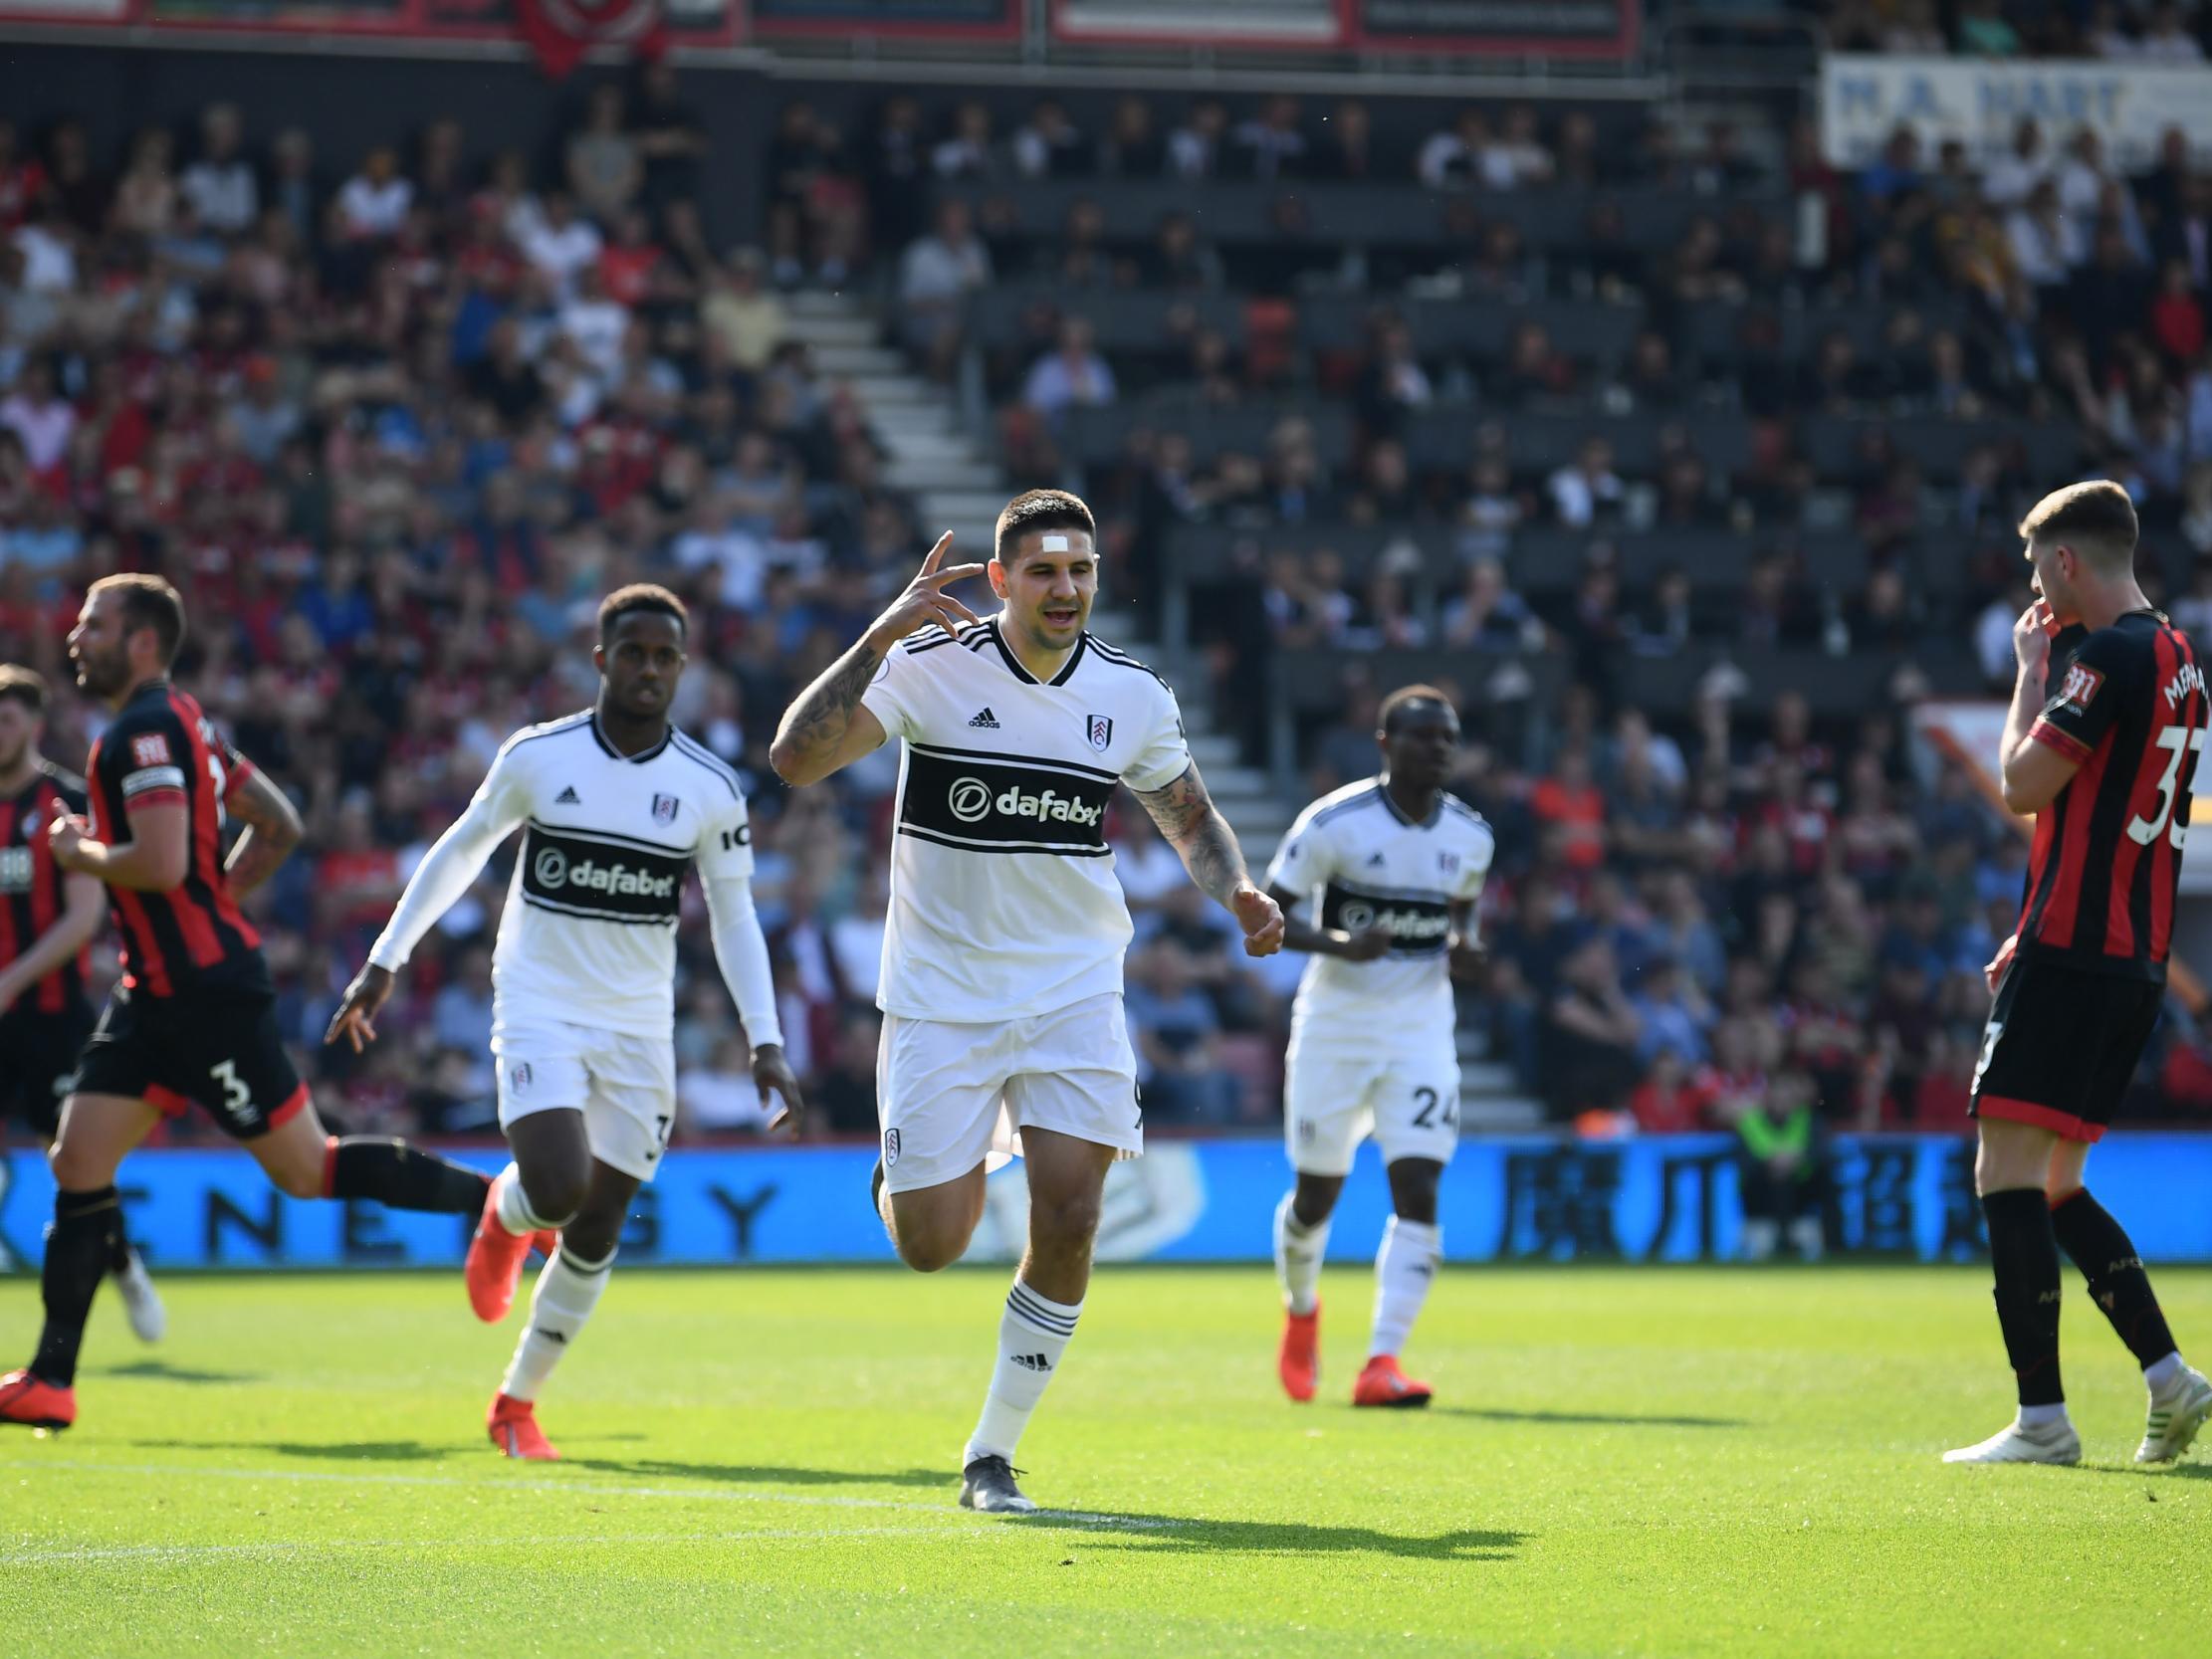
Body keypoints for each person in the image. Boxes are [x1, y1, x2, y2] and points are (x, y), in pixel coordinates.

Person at [770, 490, 1284, 1513]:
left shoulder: (1131, 695)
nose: (1065, 588)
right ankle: (905, 1169)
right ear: (1000, 580)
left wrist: (1234, 887)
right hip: (940, 993)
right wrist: (880, 629)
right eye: (1043, 570)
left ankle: (989, 1454)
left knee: (1071, 1211)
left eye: (1081, 571)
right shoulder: (927, 668)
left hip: (1071, 987)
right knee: (931, 1244)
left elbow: (1190, 815)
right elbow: (795, 758)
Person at [2, 576, 490, 1433]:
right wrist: (212, 896)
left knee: (307, 1171)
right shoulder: (188, 722)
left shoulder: (143, 731)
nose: (75, 637)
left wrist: (81, 852)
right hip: (152, 990)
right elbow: (280, 822)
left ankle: (499, 1205)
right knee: (77, 1159)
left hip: (205, 995)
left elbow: (155, 864)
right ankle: (51, 1380)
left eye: (95, 624)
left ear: (144, 640)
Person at [327, 585, 798, 1461]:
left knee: (596, 1224)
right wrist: (386, 956)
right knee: (556, 1183)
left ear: (683, 669)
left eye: (665, 656)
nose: (649, 669)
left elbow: (736, 919)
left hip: (636, 1024)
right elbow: (462, 847)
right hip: (539, 999)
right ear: (601, 660)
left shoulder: (706, 787)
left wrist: (764, 1037)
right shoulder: (539, 757)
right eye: (634, 653)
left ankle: (515, 1403)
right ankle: (505, 1215)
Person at [1947, 481, 2212, 1467]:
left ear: (2065, 561)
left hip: (2070, 951)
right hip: (2131, 960)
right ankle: (2167, 1377)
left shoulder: (2096, 658)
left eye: (2033, 569)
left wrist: (2026, 670)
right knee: (2057, 1181)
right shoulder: (2179, 655)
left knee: (2002, 1174)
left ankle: (2040, 1419)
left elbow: (2021, 787)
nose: (2032, 593)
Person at [1262, 686, 1492, 1408]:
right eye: (1424, 736)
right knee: (1315, 1197)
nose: (1440, 749)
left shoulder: (1472, 836)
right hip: (1335, 1025)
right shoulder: (1334, 824)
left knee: (1419, 1185)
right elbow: (1268, 920)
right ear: (1386, 744)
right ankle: (1302, 1310)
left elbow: (1464, 921)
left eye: (1449, 738)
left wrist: (1465, 950)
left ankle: (1381, 1362)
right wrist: (1341, 943)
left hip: (1420, 1030)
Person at [0, 666, 161, 1335]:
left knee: (76, 1163)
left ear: (34, 726)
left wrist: (10, 980)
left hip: (48, 1017)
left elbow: (81, 918)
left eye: (7, 719)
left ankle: (122, 1264)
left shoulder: (63, 802)